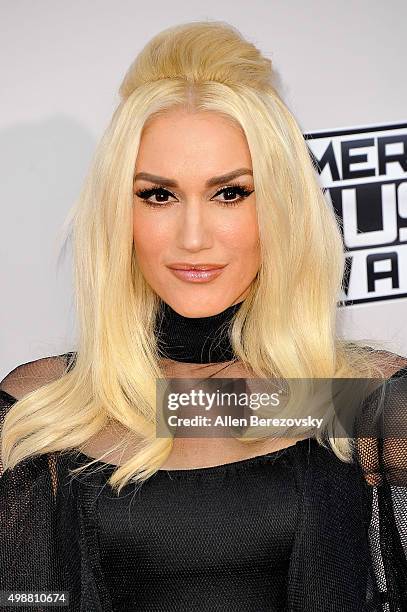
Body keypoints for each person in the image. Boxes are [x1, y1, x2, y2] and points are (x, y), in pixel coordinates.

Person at [1, 20, 407, 612]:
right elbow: (25, 597)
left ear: (281, 207)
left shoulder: (359, 401)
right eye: (158, 195)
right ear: (121, 212)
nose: (193, 238)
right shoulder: (47, 407)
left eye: (230, 193)